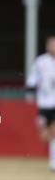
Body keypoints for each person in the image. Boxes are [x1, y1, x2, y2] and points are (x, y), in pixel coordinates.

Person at [26, 35, 55, 171]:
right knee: (45, 135)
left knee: (54, 132)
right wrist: (31, 85)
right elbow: (32, 79)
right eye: (50, 44)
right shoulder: (41, 62)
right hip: (44, 103)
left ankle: (53, 163)